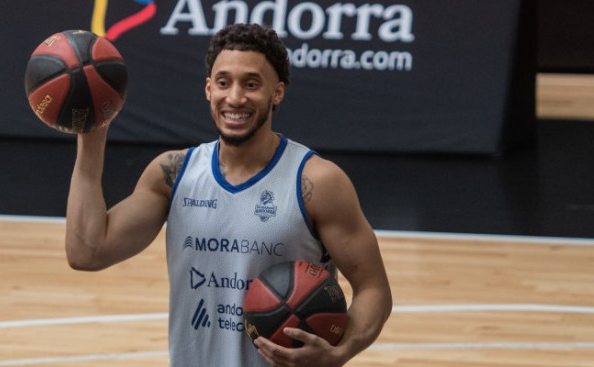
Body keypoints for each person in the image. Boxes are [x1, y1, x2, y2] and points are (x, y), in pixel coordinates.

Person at [65, 23, 392, 367]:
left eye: (251, 84)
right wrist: (91, 132)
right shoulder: (173, 175)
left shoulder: (318, 182)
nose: (235, 98)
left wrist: (340, 353)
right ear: (209, 89)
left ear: (276, 93)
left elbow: (374, 289)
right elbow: (87, 252)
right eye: (223, 82)